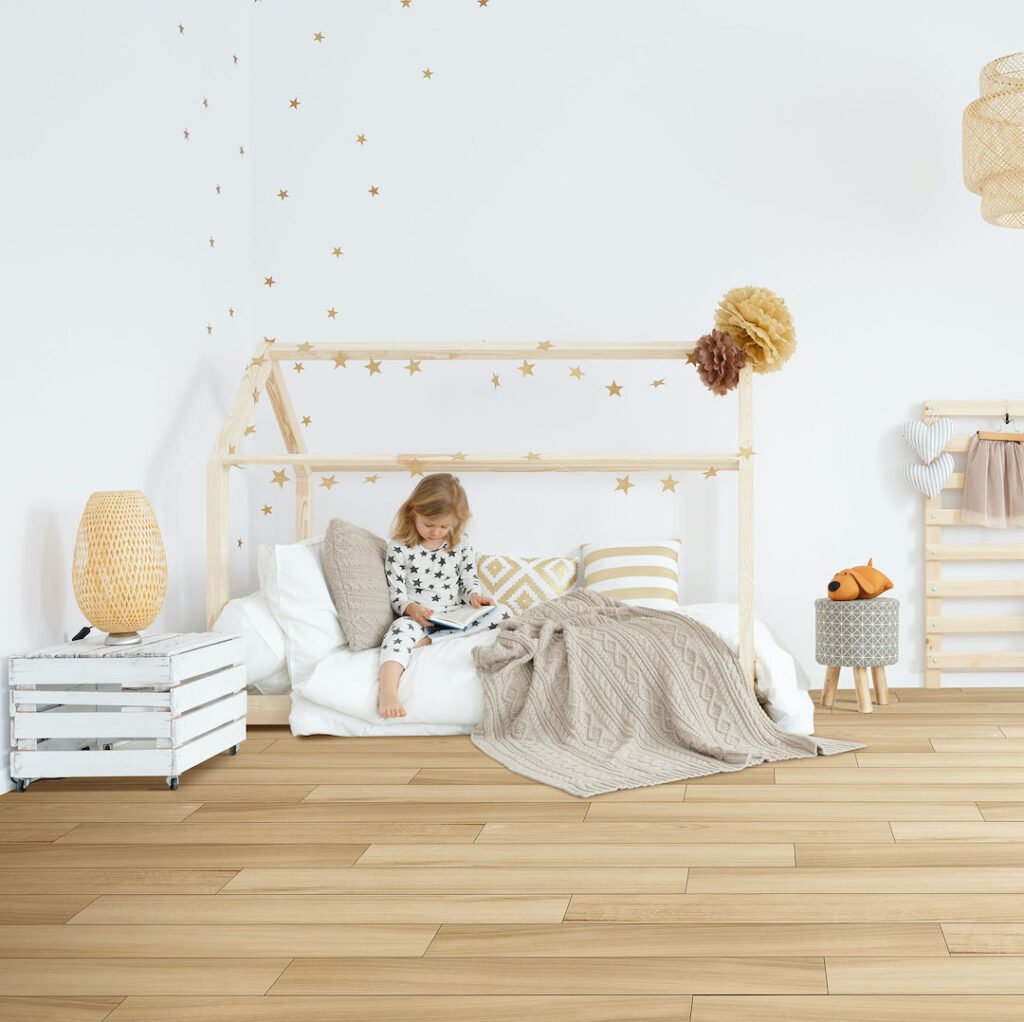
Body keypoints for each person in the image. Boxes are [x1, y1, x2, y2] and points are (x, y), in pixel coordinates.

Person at [378, 473, 512, 718]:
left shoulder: (461, 543)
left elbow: (468, 579)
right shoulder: (399, 547)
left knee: (503, 612)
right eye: (429, 524)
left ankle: (430, 643)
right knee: (397, 633)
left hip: (455, 614)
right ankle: (388, 691)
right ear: (412, 512)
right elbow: (396, 594)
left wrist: (474, 596)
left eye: (444, 526)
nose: (436, 532)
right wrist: (411, 609)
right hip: (418, 617)